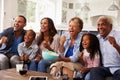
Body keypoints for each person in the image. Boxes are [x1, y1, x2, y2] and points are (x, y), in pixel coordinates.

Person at [90, 15, 120, 80]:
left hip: (118, 67)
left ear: (110, 26)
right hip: (105, 68)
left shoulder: (118, 36)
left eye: (103, 24)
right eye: (98, 25)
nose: (100, 27)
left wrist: (116, 46)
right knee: (94, 71)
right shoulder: (97, 38)